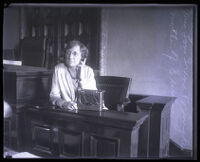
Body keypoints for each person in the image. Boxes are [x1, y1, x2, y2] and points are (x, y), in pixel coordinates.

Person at [49, 40, 100, 111]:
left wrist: (81, 80)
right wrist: (65, 103)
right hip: (67, 112)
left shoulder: (89, 71)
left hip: (87, 111)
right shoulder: (58, 69)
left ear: (81, 56)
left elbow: (93, 98)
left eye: (75, 53)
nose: (70, 57)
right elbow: (53, 96)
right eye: (68, 53)